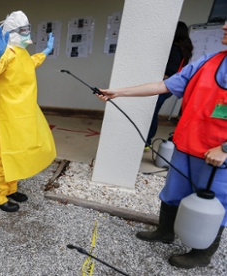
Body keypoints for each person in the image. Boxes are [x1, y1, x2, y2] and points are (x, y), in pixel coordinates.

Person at [96, 22, 227, 269]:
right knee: (173, 192)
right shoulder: (209, 61)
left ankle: (202, 252)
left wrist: (225, 149)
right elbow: (164, 85)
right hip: (187, 145)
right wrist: (119, 92)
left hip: (217, 155)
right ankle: (165, 231)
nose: (224, 25)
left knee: (214, 202)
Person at [0, 10, 57, 212]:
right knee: (0, 158)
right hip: (1, 117)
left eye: (28, 28)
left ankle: (10, 189)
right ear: (12, 32)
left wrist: (45, 53)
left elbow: (30, 64)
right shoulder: (5, 53)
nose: (26, 33)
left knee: (13, 155)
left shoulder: (21, 54)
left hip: (16, 116)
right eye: (22, 30)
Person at [146, 21, 193, 148]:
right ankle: (148, 140)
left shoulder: (175, 49)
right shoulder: (185, 49)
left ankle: (147, 141)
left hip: (165, 86)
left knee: (151, 113)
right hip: (171, 87)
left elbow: (169, 72)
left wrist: (154, 81)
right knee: (153, 112)